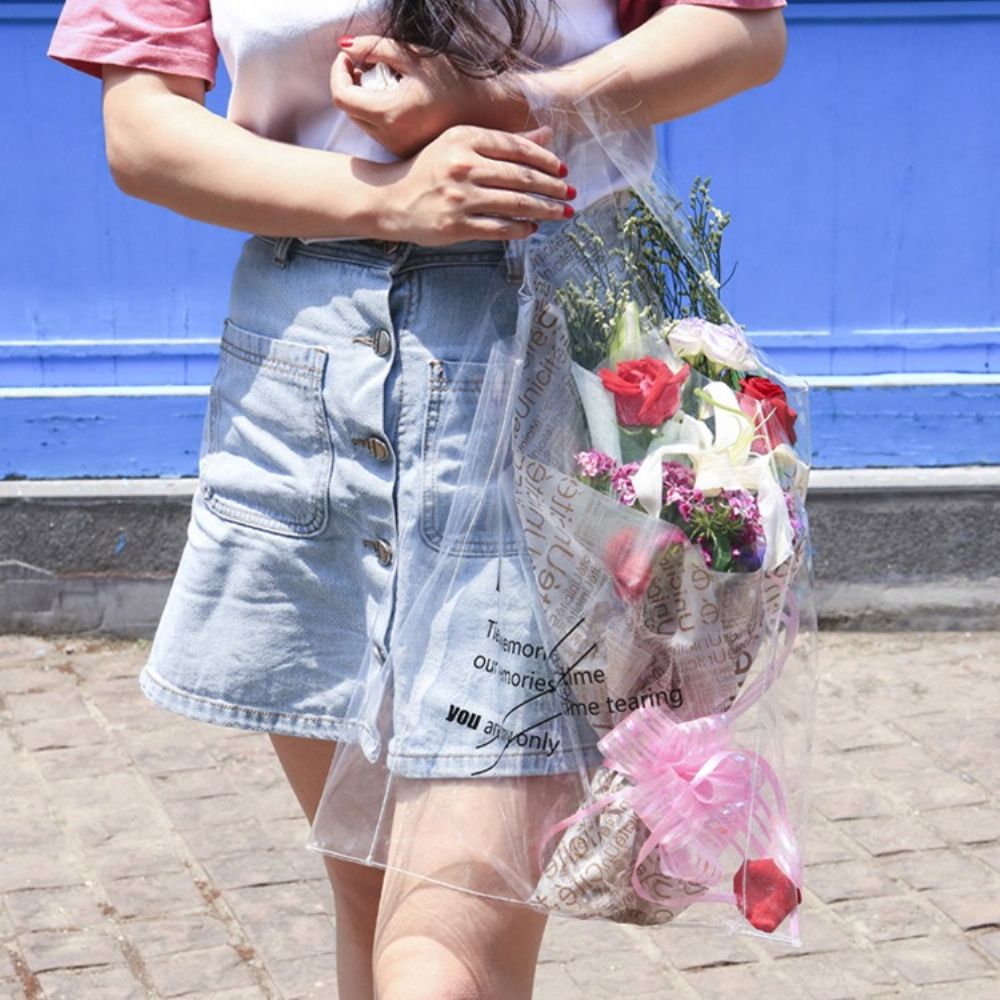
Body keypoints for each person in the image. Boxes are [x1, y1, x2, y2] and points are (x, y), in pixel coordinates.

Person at [48, 2, 789, 997]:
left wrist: (518, 103)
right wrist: (384, 199)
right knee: (371, 899)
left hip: (540, 360)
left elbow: (742, 31)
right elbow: (141, 130)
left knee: (446, 950)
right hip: (299, 372)